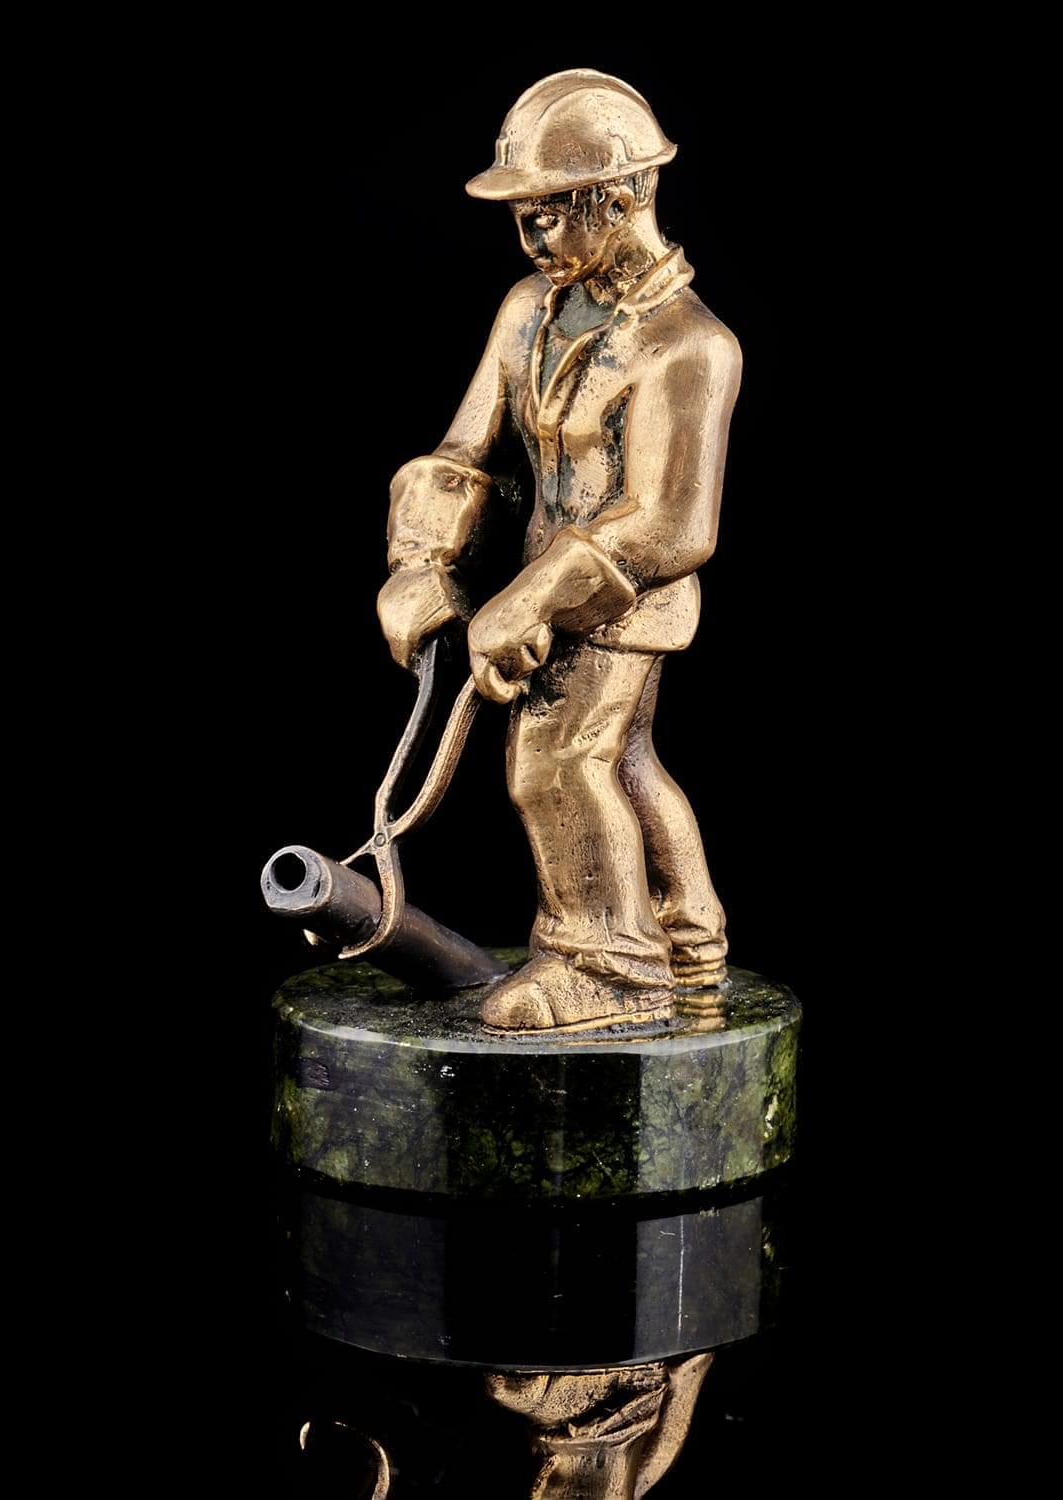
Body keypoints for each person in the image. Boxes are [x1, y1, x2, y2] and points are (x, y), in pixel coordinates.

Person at [376, 69, 743, 1033]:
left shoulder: (689, 346)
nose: (531, 240)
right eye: (523, 219)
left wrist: (532, 599)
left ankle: (609, 968)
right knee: (625, 760)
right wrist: (420, 561)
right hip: (550, 586)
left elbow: (673, 523)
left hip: (626, 596)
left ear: (621, 198)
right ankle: (688, 933)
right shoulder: (527, 311)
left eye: (548, 216)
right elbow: (466, 451)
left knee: (556, 759)